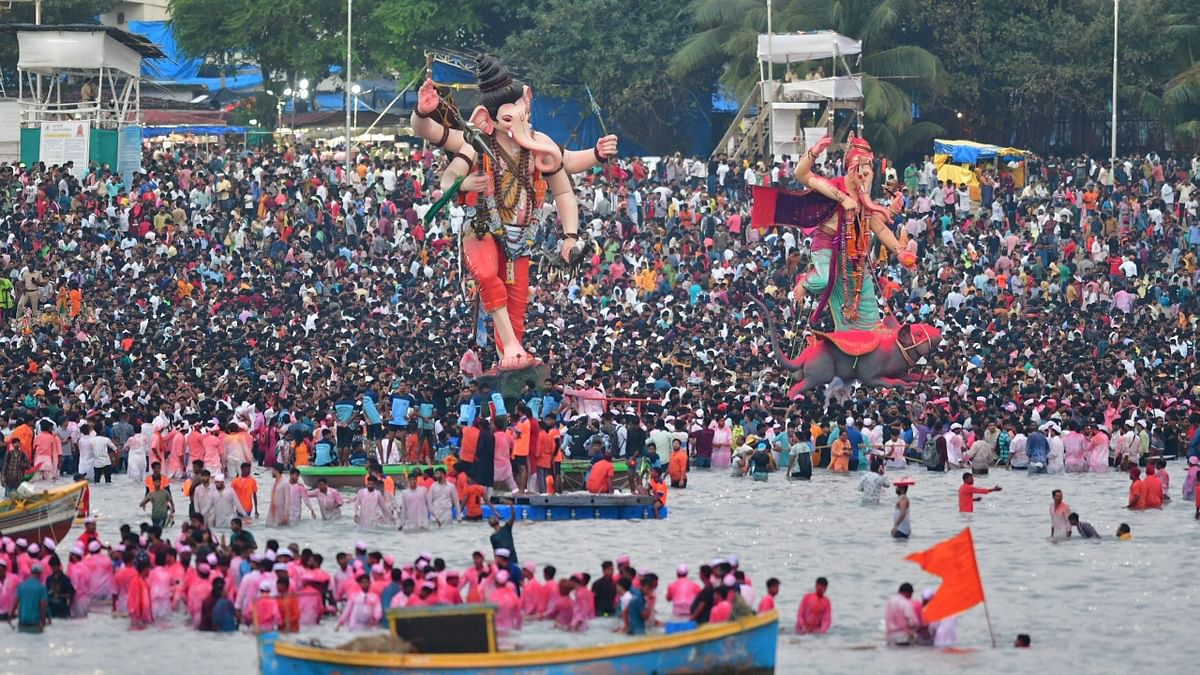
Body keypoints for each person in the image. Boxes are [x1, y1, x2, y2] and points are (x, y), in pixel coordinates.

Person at [14, 563, 49, 633]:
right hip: (35, 623)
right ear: (40, 574)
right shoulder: (42, 587)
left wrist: (10, 615)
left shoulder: (21, 586)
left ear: (31, 572)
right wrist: (43, 621)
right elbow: (43, 605)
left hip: (22, 622)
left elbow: (15, 602)